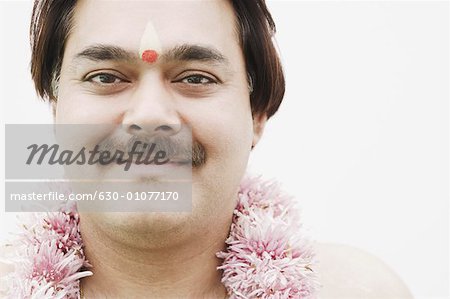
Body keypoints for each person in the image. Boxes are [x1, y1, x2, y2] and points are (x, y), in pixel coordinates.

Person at [0, 0, 413, 298]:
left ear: (256, 116)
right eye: (106, 77)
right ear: (56, 110)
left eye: (196, 78)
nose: (149, 114)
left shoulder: (356, 289)